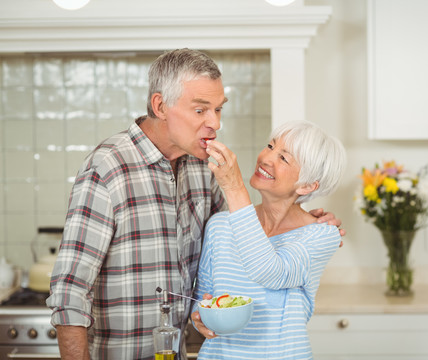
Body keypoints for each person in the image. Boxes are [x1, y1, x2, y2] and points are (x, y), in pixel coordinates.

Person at [46, 49, 344, 360]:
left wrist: (303, 222)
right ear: (161, 106)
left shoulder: (203, 168)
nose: (214, 123)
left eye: (218, 110)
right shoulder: (108, 167)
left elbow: (234, 246)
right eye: (201, 110)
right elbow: (70, 290)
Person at [192, 120, 347, 359]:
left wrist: (234, 188)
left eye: (283, 158)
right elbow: (203, 299)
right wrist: (199, 318)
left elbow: (269, 271)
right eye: (270, 146)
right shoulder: (220, 226)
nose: (265, 157)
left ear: (307, 185)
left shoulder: (321, 234)